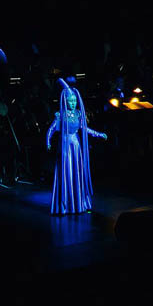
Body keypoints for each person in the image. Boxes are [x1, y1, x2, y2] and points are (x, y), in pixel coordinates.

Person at [45, 79, 107, 214]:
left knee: (76, 172)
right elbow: (51, 130)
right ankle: (65, 205)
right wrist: (48, 141)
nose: (73, 103)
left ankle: (78, 203)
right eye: (70, 101)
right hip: (65, 147)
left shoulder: (78, 114)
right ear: (66, 101)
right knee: (66, 172)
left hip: (76, 147)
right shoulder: (60, 115)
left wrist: (99, 134)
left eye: (74, 101)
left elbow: (85, 129)